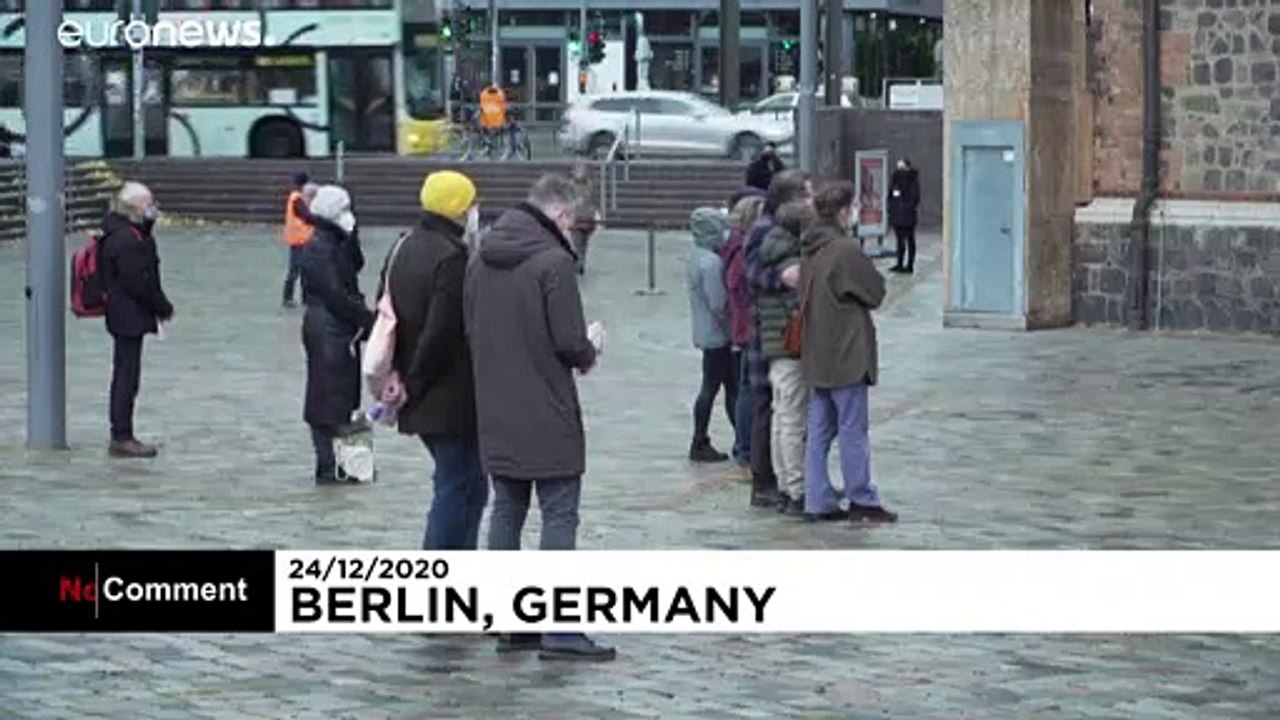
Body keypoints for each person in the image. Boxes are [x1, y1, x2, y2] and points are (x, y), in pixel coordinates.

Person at [464, 174, 614, 661]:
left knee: (506, 510)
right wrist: (591, 347)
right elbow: (569, 342)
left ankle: (509, 619)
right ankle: (560, 627)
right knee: (559, 512)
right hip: (546, 407)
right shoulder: (554, 264)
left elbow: (469, 328)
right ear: (562, 216)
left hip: (495, 404)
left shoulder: (480, 256)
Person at [381, 171, 488, 548]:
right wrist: (415, 381)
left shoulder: (403, 246)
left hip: (416, 389)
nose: (477, 210)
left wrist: (396, 373)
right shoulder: (451, 257)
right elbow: (441, 329)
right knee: (457, 488)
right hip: (447, 396)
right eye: (472, 203)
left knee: (466, 485)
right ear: (459, 209)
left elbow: (385, 312)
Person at [799, 181, 897, 523]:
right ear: (843, 211)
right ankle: (861, 497)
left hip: (817, 352)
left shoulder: (811, 247)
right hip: (845, 352)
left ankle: (817, 498)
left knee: (820, 432)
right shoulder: (844, 250)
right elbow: (875, 291)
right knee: (853, 429)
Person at [299, 185, 375, 485]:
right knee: (326, 396)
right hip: (326, 325)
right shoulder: (318, 245)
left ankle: (348, 464)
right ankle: (328, 464)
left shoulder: (335, 240)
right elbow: (334, 292)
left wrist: (351, 235)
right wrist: (365, 318)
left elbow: (356, 264)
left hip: (340, 324)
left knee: (344, 395)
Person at [744, 170, 811, 509]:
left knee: (780, 411)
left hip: (774, 330)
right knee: (771, 410)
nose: (810, 201)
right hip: (770, 332)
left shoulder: (784, 229)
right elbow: (749, 273)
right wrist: (780, 277)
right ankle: (766, 481)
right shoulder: (766, 230)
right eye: (805, 195)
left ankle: (782, 481)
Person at [101, 181, 173, 458]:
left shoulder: (125, 233)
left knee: (126, 373)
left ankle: (122, 433)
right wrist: (161, 306)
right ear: (132, 207)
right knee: (126, 376)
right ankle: (122, 435)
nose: (153, 208)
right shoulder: (126, 240)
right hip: (128, 315)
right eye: (148, 204)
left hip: (125, 313)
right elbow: (139, 280)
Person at [686, 206, 736, 463]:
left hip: (707, 331)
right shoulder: (711, 262)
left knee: (720, 387)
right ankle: (700, 439)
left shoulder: (697, 255)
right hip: (718, 335)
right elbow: (718, 303)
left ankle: (709, 438)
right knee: (715, 388)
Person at [721, 189, 766, 471]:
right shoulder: (744, 251)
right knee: (748, 389)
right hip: (748, 326)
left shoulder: (736, 247)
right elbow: (739, 288)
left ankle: (744, 445)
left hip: (742, 325)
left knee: (744, 387)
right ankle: (745, 446)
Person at [281, 172, 317, 307]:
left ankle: (302, 297)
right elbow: (306, 216)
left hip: (300, 238)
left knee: (302, 270)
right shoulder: (297, 198)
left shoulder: (297, 197)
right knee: (296, 270)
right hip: (300, 239)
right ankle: (289, 297)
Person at [887, 158, 921, 274]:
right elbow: (890, 195)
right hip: (897, 215)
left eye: (902, 167)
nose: (900, 170)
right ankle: (900, 263)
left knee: (910, 239)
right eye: (898, 167)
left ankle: (909, 265)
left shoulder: (912, 179)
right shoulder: (895, 179)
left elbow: (915, 197)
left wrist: (907, 207)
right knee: (899, 240)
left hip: (908, 216)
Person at [568, 162, 600, 274]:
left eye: (582, 170)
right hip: (576, 219)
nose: (580, 173)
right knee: (578, 243)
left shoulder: (590, 186)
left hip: (587, 218)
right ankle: (579, 263)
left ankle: (581, 262)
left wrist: (595, 215)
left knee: (584, 243)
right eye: (578, 170)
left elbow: (594, 201)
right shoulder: (571, 186)